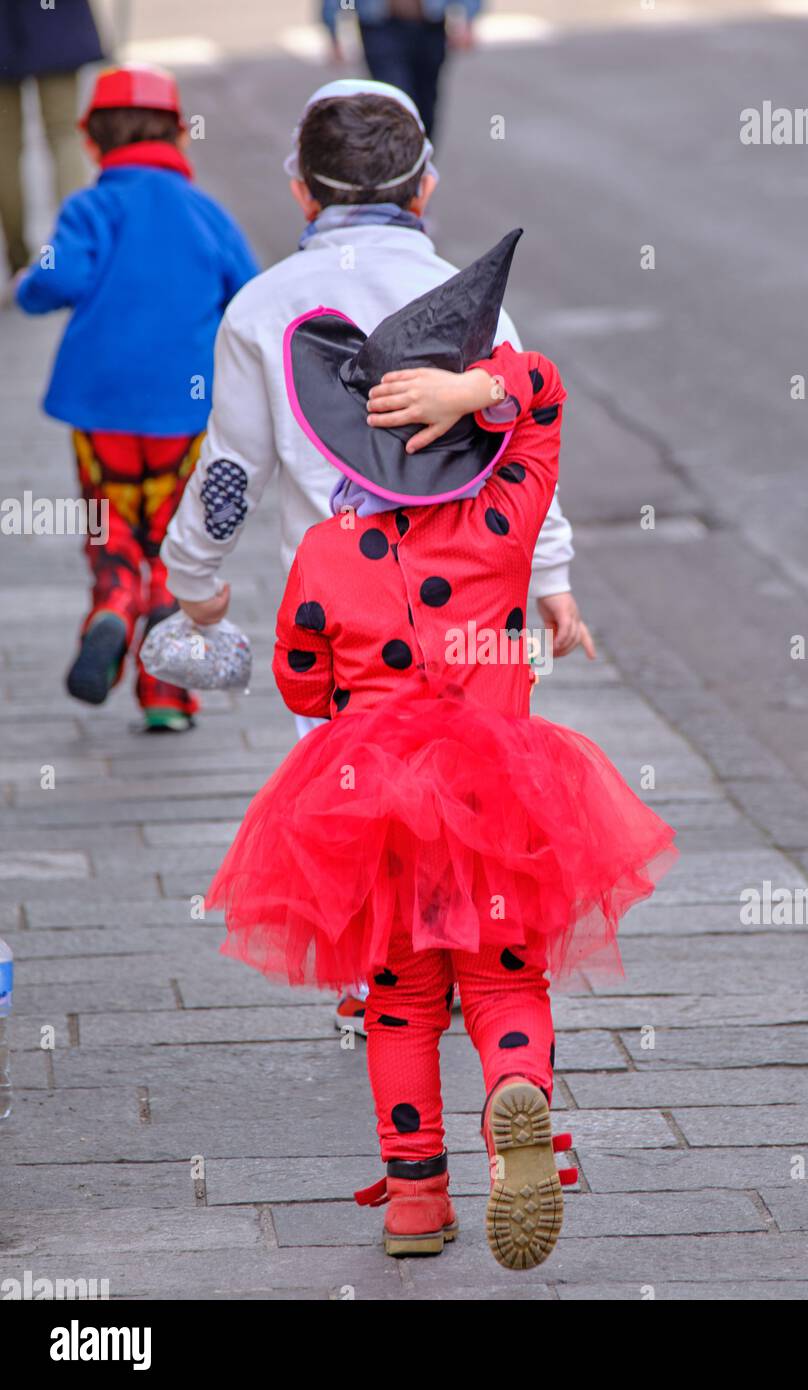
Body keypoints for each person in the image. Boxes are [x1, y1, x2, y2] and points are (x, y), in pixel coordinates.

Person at [206, 232, 677, 1267]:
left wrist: (341, 693)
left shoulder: (327, 553)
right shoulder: (502, 521)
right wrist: (477, 389)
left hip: (371, 800)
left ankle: (415, 1200)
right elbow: (542, 394)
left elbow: (298, 677)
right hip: (501, 788)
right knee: (507, 979)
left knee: (400, 1000)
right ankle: (516, 1097)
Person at [161, 79, 591, 1016]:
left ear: (301, 192)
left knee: (358, 800)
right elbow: (519, 440)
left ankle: (380, 979)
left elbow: (231, 472)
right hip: (474, 606)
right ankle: (478, 969)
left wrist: (192, 576)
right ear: (425, 187)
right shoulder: (465, 298)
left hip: (342, 618)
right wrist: (550, 574)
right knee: (469, 794)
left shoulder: (262, 307)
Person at [16, 64, 259, 730]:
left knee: (111, 524)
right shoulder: (205, 212)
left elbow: (53, 277)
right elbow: (252, 293)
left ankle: (113, 605)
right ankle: (166, 697)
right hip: (186, 413)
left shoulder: (90, 207)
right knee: (179, 539)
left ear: (91, 142)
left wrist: (27, 285)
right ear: (180, 135)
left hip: (101, 410)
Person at [0, 0, 104, 277]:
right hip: (55, 18)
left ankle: (19, 263)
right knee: (64, 134)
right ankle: (74, 252)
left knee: (5, 146)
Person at [320, 0, 480, 140]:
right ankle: (398, 164)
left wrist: (469, 19)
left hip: (429, 25)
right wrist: (333, 30)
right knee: (394, 98)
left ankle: (421, 160)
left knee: (426, 102)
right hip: (379, 26)